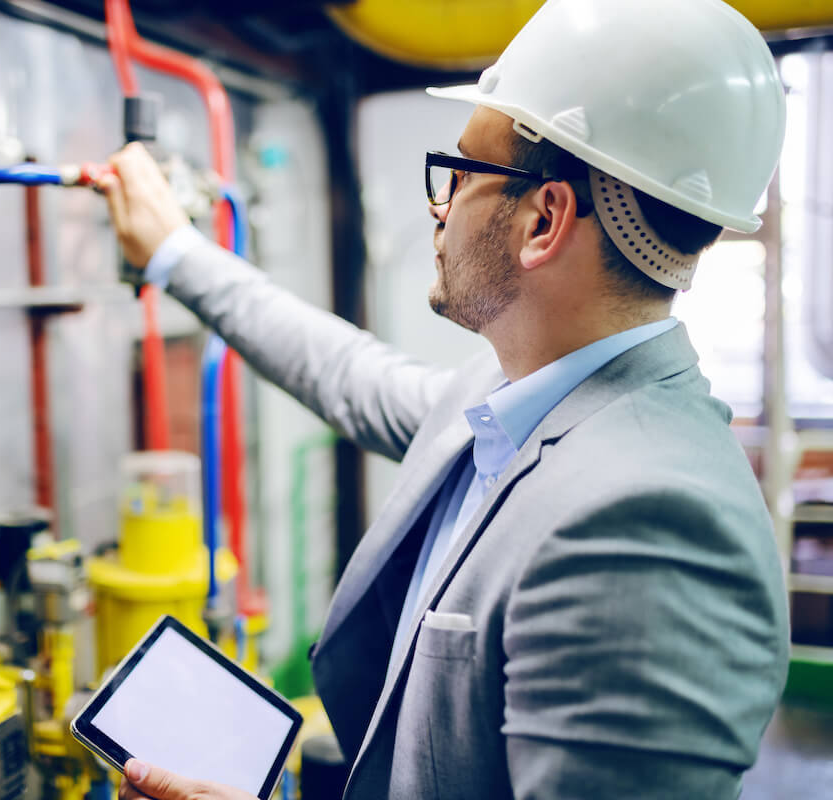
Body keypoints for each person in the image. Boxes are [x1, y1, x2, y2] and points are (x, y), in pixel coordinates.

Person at [99, 0, 790, 797]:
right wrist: (176, 253)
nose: (440, 204)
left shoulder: (650, 527)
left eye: (463, 171)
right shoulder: (517, 398)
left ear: (543, 219)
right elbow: (346, 372)